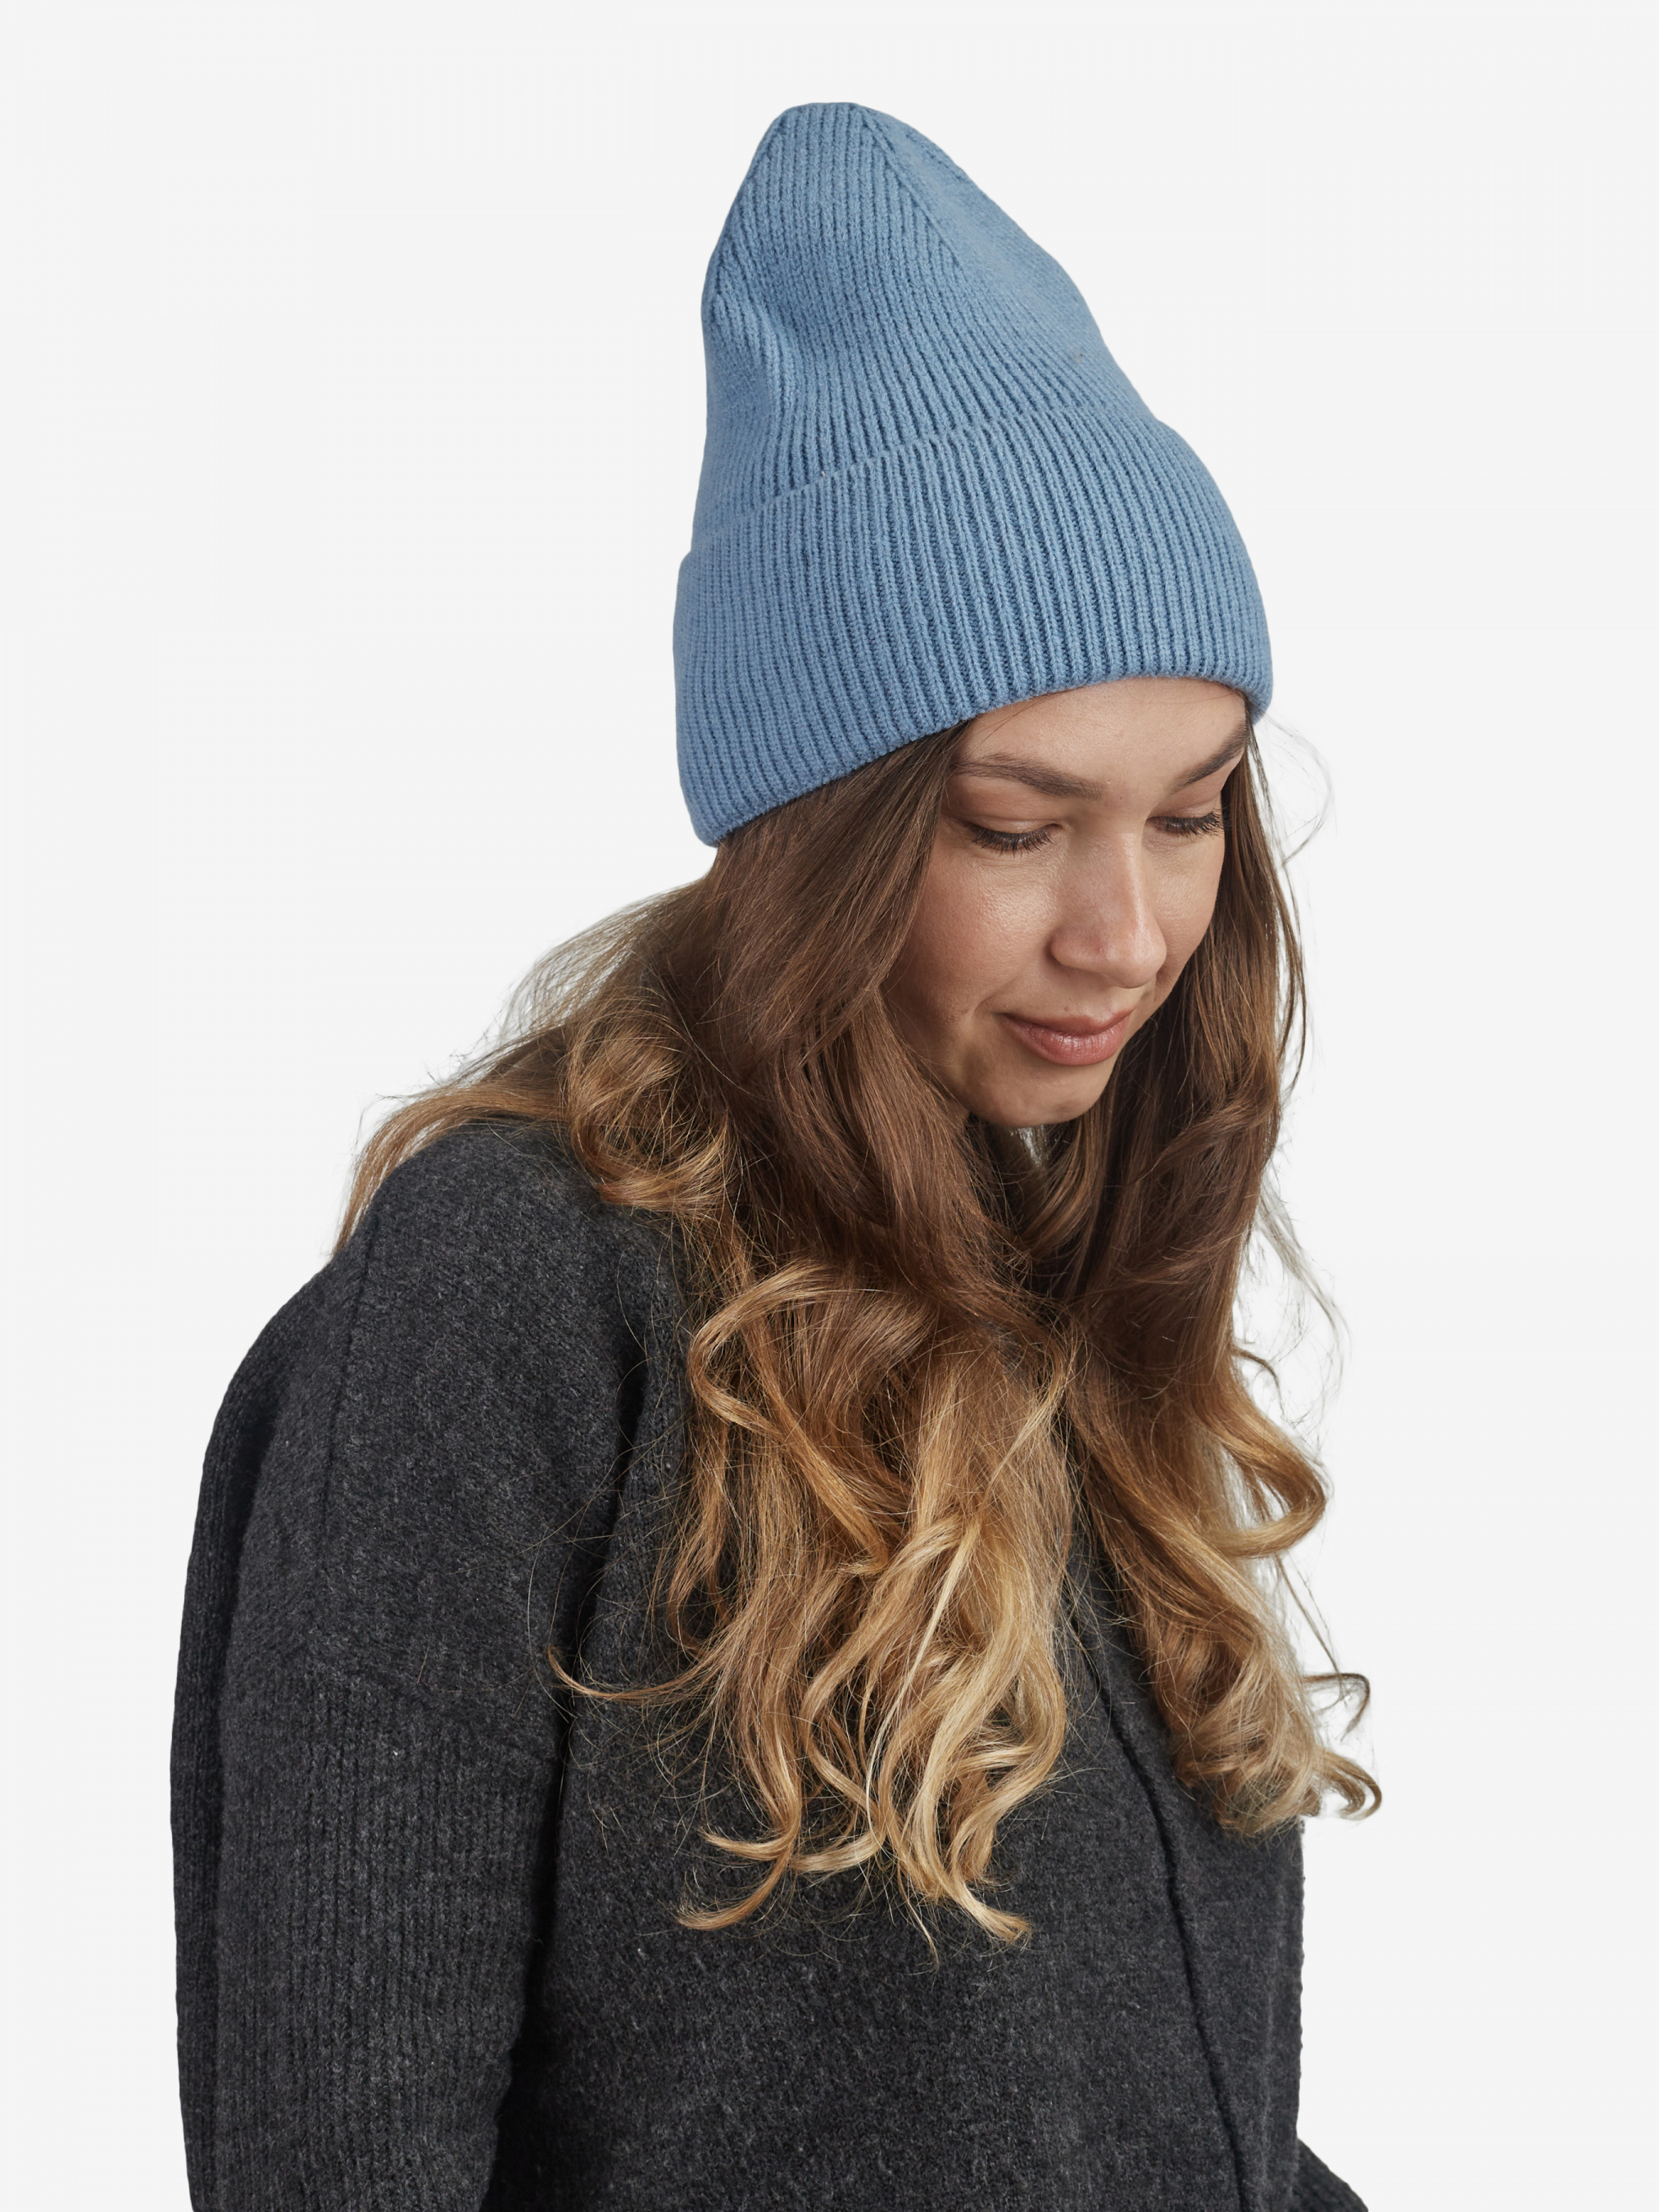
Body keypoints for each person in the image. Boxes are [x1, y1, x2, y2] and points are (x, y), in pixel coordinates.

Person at [172, 102, 1376, 2212]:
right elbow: (338, 2158)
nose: (1128, 935)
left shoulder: (1060, 1266)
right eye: (1016, 827)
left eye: (1191, 812)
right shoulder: (510, 1290)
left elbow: (1142, 2124)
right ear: (817, 832)